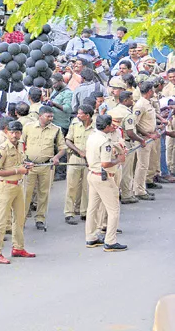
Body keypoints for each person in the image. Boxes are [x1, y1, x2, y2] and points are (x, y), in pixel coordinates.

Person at [0, 121, 36, 264]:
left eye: (17, 132)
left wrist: (26, 166)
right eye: (12, 132)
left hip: (18, 185)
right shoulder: (2, 148)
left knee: (20, 218)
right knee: (1, 221)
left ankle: (18, 247)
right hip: (5, 186)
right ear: (6, 132)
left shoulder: (21, 145)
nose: (15, 135)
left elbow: (20, 162)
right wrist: (18, 170)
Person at [84, 115, 127, 252]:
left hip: (92, 173)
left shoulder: (92, 136)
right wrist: (119, 160)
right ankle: (110, 241)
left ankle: (91, 237)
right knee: (114, 209)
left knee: (92, 207)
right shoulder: (105, 141)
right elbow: (106, 163)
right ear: (107, 126)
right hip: (103, 176)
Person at [20, 106, 67, 230]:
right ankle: (21, 220)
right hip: (29, 166)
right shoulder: (28, 127)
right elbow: (20, 143)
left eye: (52, 116)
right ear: (40, 116)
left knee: (43, 194)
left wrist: (56, 157)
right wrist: (22, 159)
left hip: (46, 166)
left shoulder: (56, 129)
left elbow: (62, 148)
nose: (51, 118)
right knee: (26, 194)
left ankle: (40, 219)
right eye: (48, 116)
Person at [64, 105, 95, 225]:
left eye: (80, 113)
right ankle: (69, 212)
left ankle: (84, 212)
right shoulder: (75, 124)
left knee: (87, 187)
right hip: (75, 159)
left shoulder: (95, 127)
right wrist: (79, 151)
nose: (78, 115)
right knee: (71, 186)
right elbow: (68, 140)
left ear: (87, 116)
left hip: (89, 161)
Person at [133, 81, 161, 200]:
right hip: (144, 138)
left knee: (147, 164)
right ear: (149, 91)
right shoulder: (140, 105)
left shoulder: (147, 103)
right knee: (142, 165)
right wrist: (147, 135)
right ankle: (139, 190)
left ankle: (142, 187)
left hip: (151, 136)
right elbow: (135, 124)